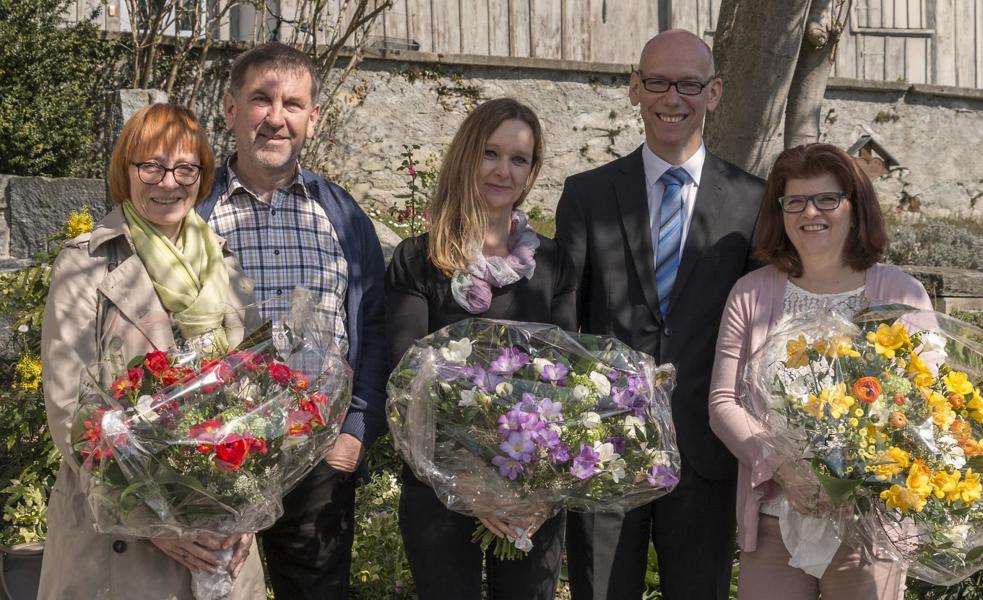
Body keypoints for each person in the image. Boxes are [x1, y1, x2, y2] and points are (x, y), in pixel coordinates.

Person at [554, 29, 764, 599]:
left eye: (689, 84)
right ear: (635, 89)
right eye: (658, 83)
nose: (673, 98)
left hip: (706, 452)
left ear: (714, 91)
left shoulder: (753, 201)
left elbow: (764, 332)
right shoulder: (587, 195)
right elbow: (563, 327)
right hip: (604, 453)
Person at [38, 103, 265, 599]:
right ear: (127, 170)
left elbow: (255, 400)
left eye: (186, 168)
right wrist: (156, 521)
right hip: (118, 533)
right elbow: (70, 412)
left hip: (221, 537)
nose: (169, 182)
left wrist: (248, 507)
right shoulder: (86, 267)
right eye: (152, 166)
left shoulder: (224, 264)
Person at [194, 42, 388, 599]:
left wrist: (356, 429)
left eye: (293, 104)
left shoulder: (342, 216)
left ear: (313, 118)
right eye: (261, 100)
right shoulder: (196, 212)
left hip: (319, 458)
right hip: (215, 458)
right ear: (231, 109)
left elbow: (372, 326)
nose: (277, 118)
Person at [708, 143, 932, 599]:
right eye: (795, 201)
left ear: (855, 206)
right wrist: (783, 466)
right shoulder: (751, 294)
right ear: (781, 212)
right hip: (775, 517)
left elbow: (927, 401)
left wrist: (851, 473)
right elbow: (723, 402)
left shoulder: (902, 294)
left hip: (869, 524)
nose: (811, 212)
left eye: (827, 199)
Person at [385, 97, 576, 600]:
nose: (503, 170)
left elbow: (570, 380)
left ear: (532, 171)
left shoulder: (553, 264)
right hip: (440, 492)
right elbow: (406, 384)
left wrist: (538, 490)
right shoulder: (418, 260)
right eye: (491, 153)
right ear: (467, 156)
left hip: (531, 496)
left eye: (519, 159)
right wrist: (469, 486)